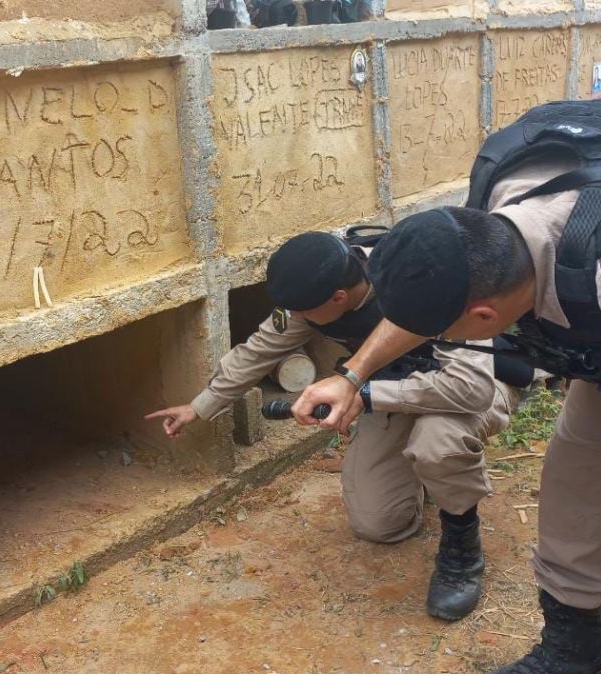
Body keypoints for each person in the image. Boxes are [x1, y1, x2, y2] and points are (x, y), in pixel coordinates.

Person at [290, 99, 601, 674]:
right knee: (578, 476)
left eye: (441, 330)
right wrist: (354, 375)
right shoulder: (495, 214)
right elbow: (429, 298)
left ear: (484, 319)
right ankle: (573, 652)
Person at [146, 230, 530, 621]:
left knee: (437, 444)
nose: (293, 318)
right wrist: (200, 405)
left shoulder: (425, 283)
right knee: (377, 522)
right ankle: (428, 479)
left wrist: (363, 397)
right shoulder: (317, 291)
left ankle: (462, 548)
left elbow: (471, 390)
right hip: (395, 387)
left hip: (476, 384)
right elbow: (259, 350)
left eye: (301, 312)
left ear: (339, 299)